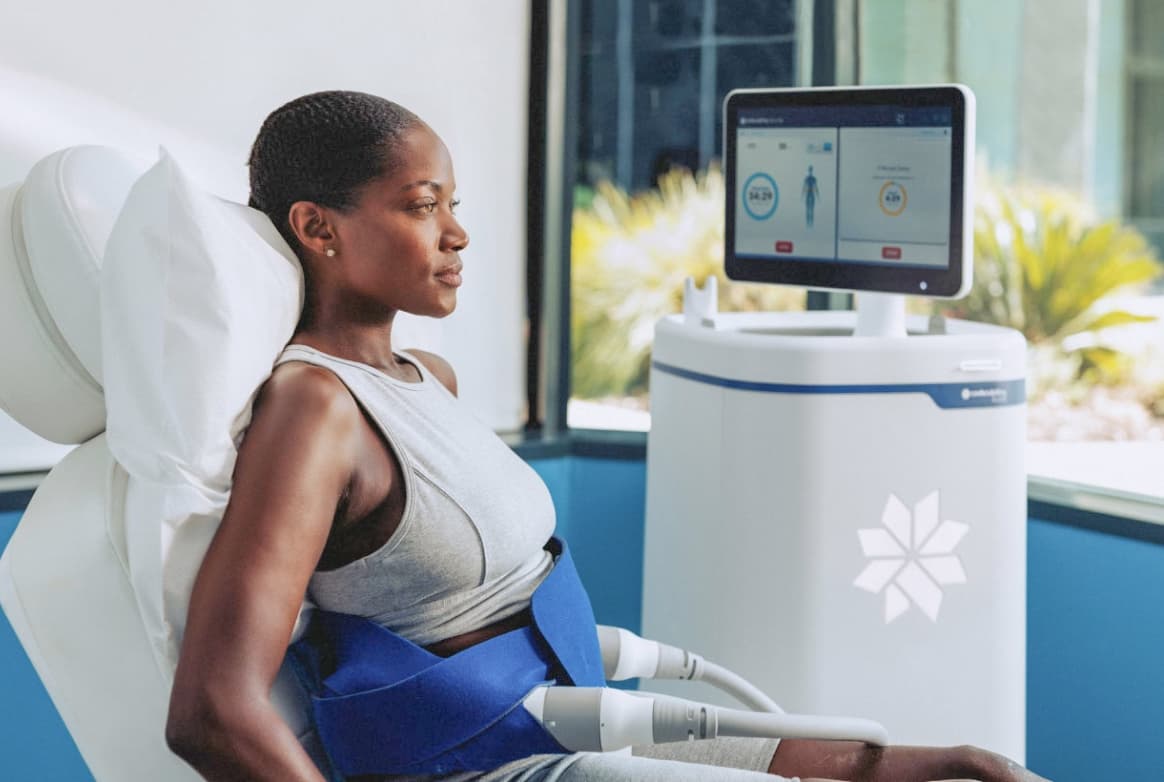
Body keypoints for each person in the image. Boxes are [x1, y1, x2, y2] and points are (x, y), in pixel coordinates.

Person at [164, 90, 1045, 782]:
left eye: (453, 203)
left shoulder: (431, 383)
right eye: (423, 206)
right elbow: (213, 710)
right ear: (319, 227)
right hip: (489, 768)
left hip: (566, 733)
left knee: (956, 770)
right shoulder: (315, 409)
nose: (458, 232)